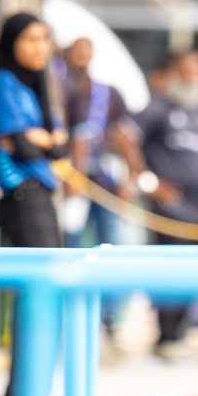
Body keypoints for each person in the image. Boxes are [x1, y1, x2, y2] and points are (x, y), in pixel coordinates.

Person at [0, 12, 67, 396]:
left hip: (41, 192)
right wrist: (41, 140)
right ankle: (21, 392)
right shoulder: (3, 83)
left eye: (45, 39)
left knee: (48, 289)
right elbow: (25, 147)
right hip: (19, 194)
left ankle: (30, 389)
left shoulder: (37, 85)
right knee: (34, 289)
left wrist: (44, 140)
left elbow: (59, 145)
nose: (40, 47)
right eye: (31, 39)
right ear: (11, 43)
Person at [130, 49, 198, 354]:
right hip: (169, 209)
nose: (191, 77)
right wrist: (148, 181)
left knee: (194, 272)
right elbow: (123, 135)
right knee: (169, 270)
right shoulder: (160, 107)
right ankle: (165, 335)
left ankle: (179, 334)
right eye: (185, 71)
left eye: (196, 70)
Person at [60, 38, 133, 248]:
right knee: (70, 242)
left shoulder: (108, 93)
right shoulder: (61, 90)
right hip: (71, 180)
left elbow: (125, 136)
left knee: (110, 243)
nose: (81, 56)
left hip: (104, 181)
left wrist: (127, 180)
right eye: (76, 51)